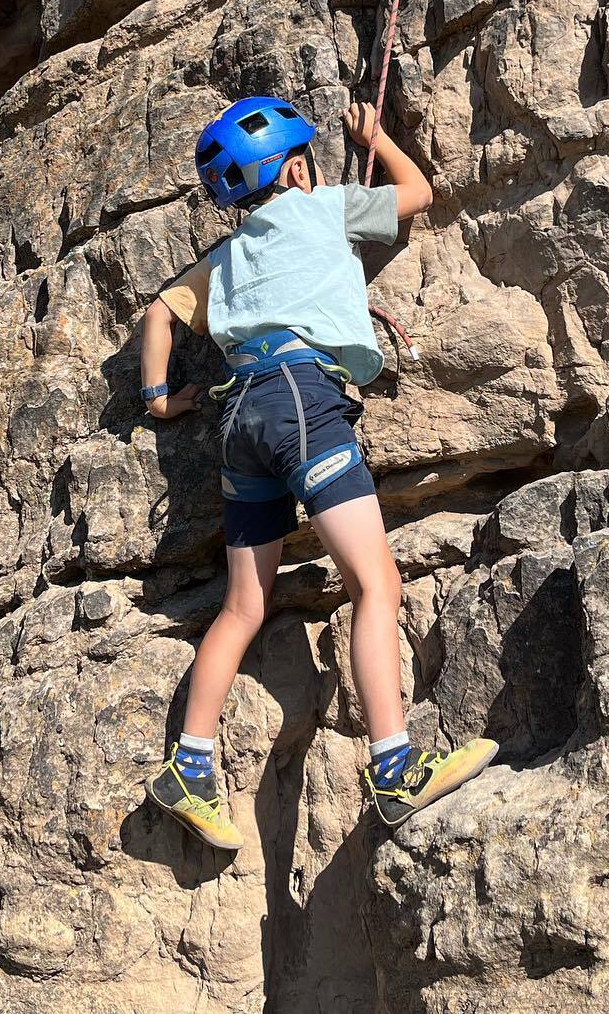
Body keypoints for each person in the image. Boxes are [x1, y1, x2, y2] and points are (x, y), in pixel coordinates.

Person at [138, 94, 497, 851]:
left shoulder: (223, 260)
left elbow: (159, 316)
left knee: (244, 605)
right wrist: (376, 138)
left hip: (240, 420)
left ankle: (189, 765)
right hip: (304, 398)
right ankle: (395, 767)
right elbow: (418, 196)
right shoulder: (326, 206)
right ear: (297, 166)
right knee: (376, 583)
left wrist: (161, 398)